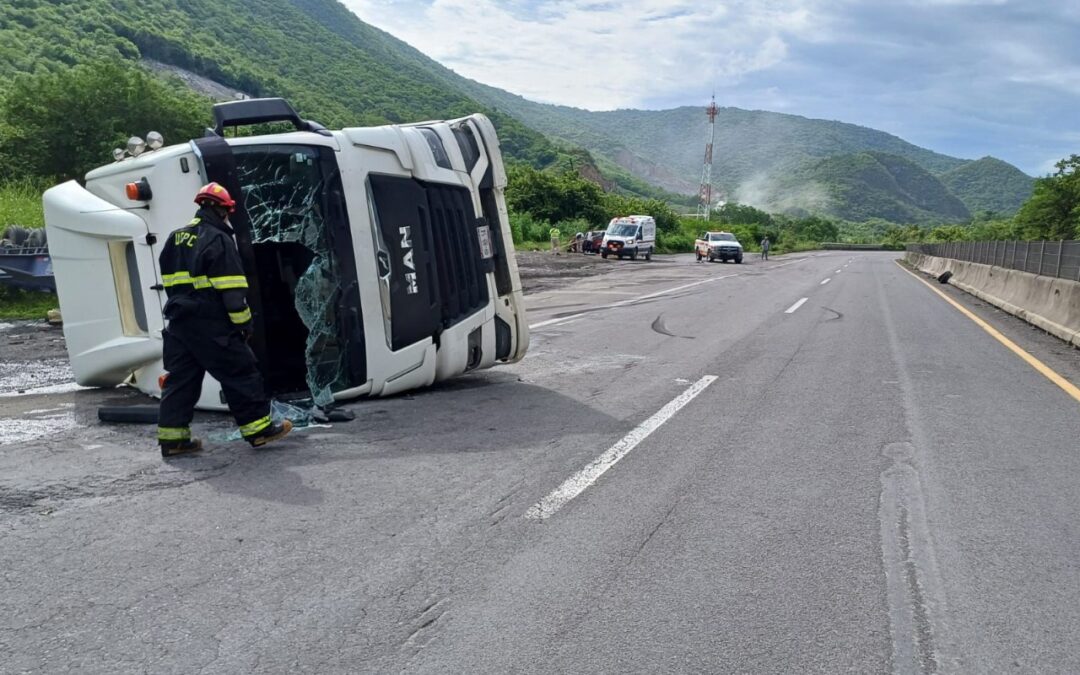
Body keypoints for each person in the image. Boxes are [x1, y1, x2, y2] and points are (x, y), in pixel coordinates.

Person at [156, 182, 292, 458]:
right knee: (241, 372)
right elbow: (232, 293)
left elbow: (171, 284)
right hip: (211, 323)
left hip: (179, 323)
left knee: (181, 380)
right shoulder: (217, 239)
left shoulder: (174, 238)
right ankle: (258, 430)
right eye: (228, 212)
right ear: (221, 210)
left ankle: (173, 440)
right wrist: (243, 325)